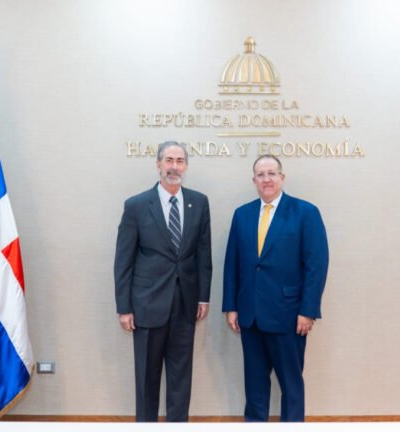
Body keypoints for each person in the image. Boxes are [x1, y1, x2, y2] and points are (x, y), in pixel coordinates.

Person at [222, 154, 329, 422]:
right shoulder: (242, 214)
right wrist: (231, 306)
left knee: (291, 387)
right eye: (261, 175)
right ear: (254, 180)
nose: (266, 179)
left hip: (289, 317)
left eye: (271, 173)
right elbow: (231, 264)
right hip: (250, 316)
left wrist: (308, 310)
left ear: (282, 177)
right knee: (254, 388)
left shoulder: (306, 212)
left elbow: (316, 266)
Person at [114, 141, 212, 422]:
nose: (174, 166)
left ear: (186, 166)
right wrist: (124, 307)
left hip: (185, 304)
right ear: (158, 164)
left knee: (181, 376)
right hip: (146, 305)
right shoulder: (135, 205)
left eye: (180, 161)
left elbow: (203, 253)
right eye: (169, 160)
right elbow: (124, 260)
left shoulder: (199, 202)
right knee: (147, 376)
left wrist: (203, 297)